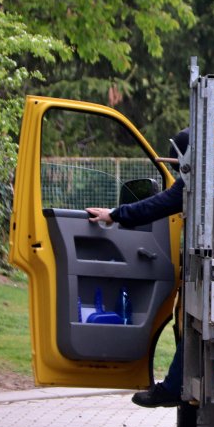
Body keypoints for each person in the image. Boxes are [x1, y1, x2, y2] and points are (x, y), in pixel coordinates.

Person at [86, 128, 190, 408]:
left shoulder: (196, 180)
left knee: (195, 327)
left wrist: (114, 214)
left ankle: (172, 389)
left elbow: (156, 205)